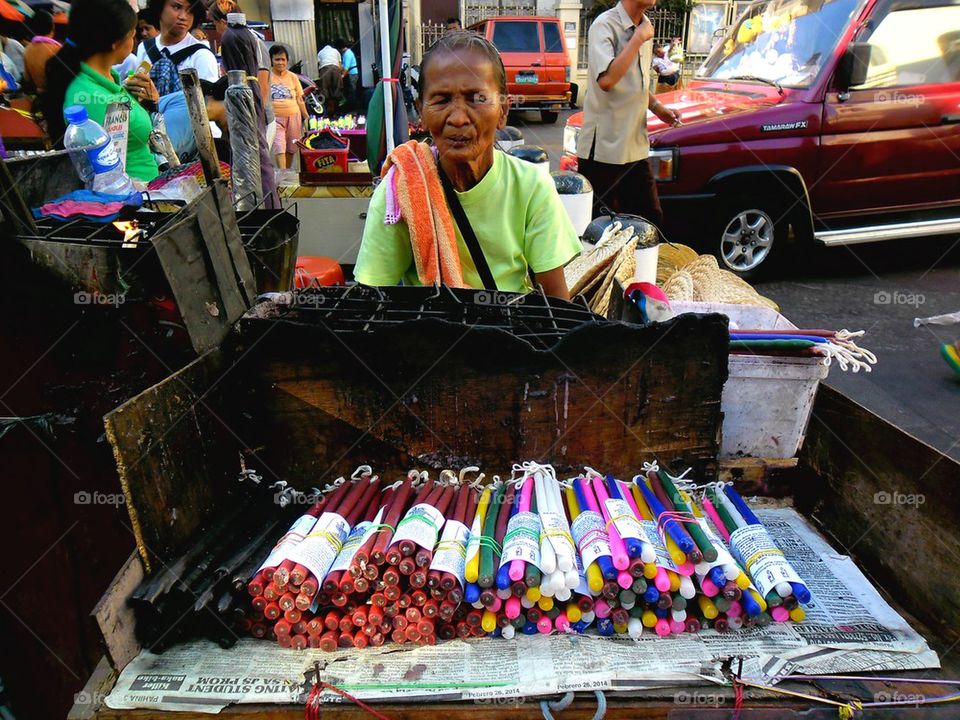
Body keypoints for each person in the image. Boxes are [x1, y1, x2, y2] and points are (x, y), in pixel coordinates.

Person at [354, 32, 581, 298]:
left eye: (477, 98)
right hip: (430, 333)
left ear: (503, 111)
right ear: (422, 113)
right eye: (441, 100)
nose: (459, 118)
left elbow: (556, 304)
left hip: (512, 335)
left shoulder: (531, 187)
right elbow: (371, 300)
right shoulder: (399, 191)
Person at [576, 0, 681, 226]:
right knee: (600, 229)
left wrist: (657, 108)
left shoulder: (645, 27)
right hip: (604, 151)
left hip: (635, 147)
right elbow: (607, 80)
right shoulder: (604, 26)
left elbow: (637, 82)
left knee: (650, 221)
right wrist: (637, 40)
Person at [42, 0, 159, 181]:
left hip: (149, 186)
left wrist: (144, 100)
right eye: (132, 34)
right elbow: (110, 173)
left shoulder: (107, 81)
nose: (134, 40)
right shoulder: (88, 96)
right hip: (134, 198)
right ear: (115, 42)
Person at [136, 0, 219, 95]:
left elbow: (211, 104)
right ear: (159, 8)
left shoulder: (201, 55)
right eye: (176, 7)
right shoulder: (144, 48)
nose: (183, 16)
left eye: (190, 11)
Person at [269, 44, 307, 169]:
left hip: (293, 116)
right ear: (271, 60)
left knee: (291, 148)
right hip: (275, 119)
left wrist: (306, 117)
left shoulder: (293, 77)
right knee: (279, 146)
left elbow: (299, 99)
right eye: (277, 59)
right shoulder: (267, 77)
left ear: (287, 61)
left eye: (283, 59)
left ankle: (287, 171)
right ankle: (283, 173)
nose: (280, 63)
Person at [23, 11, 61, 93]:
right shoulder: (57, 49)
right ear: (52, 27)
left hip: (40, 96)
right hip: (57, 97)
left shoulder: (28, 49)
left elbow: (27, 78)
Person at [338, 37, 358, 112]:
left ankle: (353, 110)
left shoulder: (347, 54)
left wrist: (342, 76)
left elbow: (346, 68)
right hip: (350, 74)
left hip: (352, 74)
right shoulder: (346, 53)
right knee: (349, 92)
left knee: (352, 92)